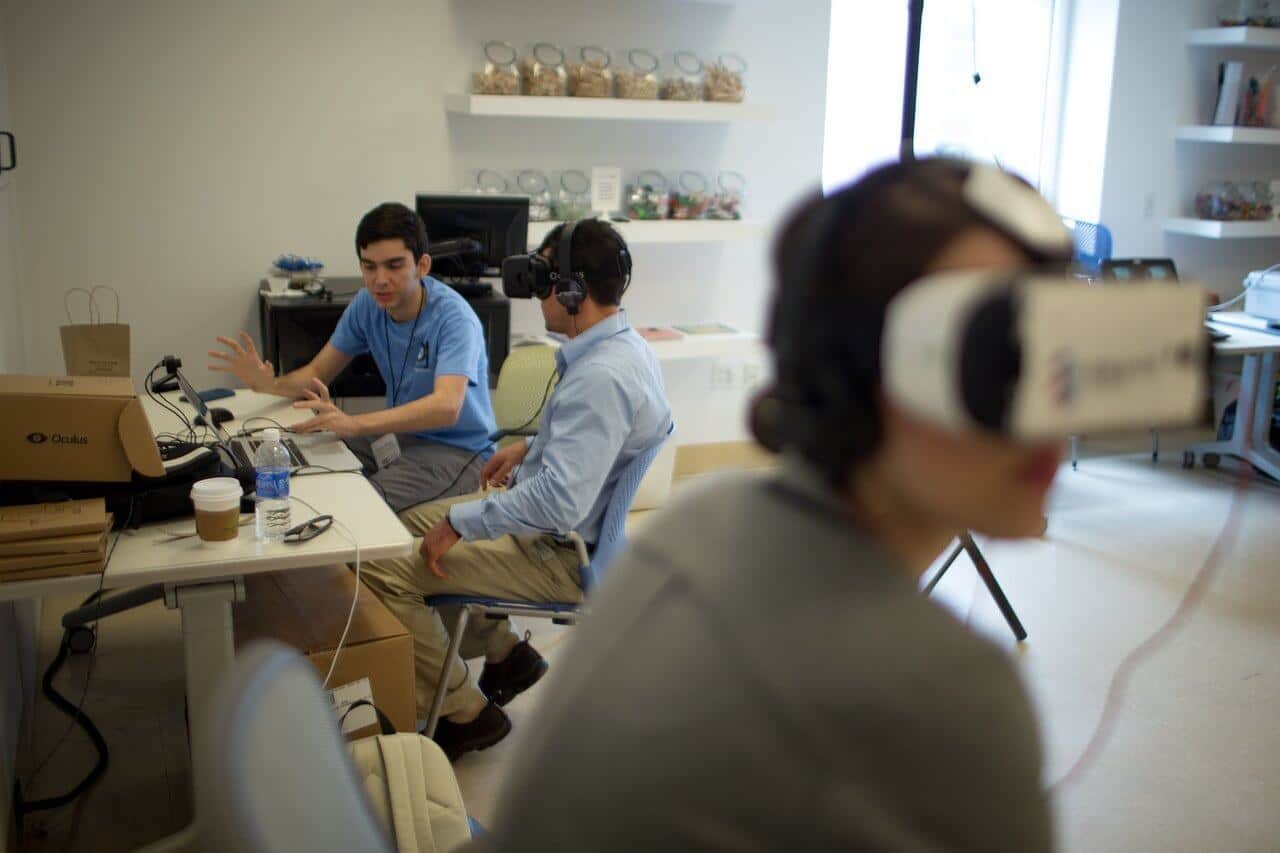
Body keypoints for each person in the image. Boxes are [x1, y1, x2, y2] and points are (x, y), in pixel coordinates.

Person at [482, 160, 1070, 851]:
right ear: (853, 367)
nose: (1052, 393)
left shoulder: (700, 520)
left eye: (1062, 335)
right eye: (997, 351)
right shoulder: (960, 695)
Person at [359, 218, 672, 760]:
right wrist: (532, 446)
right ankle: (502, 651)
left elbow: (558, 501)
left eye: (543, 277)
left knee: (377, 567)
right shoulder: (622, 347)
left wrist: (460, 524)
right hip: (560, 530)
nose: (536, 294)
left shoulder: (601, 376)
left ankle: (464, 712)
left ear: (570, 289)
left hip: (556, 550)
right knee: (393, 528)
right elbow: (601, 445)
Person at [209, 202, 497, 511]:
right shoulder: (367, 304)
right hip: (398, 440)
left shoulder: (454, 319)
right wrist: (267, 384)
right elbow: (317, 372)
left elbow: (446, 407)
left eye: (394, 265)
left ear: (422, 266)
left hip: (459, 453)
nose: (380, 279)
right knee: (299, 459)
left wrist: (355, 424)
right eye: (369, 266)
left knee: (353, 505)